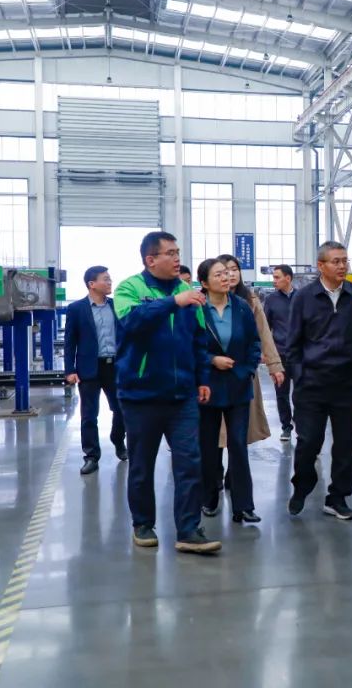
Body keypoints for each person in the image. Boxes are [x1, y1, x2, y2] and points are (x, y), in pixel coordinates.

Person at [113, 231, 221, 554]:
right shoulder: (129, 288)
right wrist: (173, 303)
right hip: (140, 395)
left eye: (178, 252)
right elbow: (132, 322)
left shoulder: (188, 291)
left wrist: (202, 378)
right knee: (142, 465)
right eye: (170, 253)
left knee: (189, 464)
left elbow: (199, 339)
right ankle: (143, 523)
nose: (177, 258)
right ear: (151, 259)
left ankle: (188, 530)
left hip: (182, 396)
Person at [283, 241, 352, 520]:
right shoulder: (304, 297)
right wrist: (300, 375)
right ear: (321, 266)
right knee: (309, 441)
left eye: (345, 260)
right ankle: (302, 485)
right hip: (312, 384)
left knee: (345, 444)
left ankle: (338, 497)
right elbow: (292, 342)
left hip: (347, 384)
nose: (342, 266)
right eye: (336, 261)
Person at [210, 254, 285, 492]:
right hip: (213, 376)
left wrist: (274, 365)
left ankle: (235, 476)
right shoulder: (203, 303)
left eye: (234, 269)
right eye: (224, 271)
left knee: (238, 433)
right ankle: (214, 475)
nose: (230, 274)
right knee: (214, 432)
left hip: (242, 375)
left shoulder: (249, 301)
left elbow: (263, 333)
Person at [196, 258, 262, 524]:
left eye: (227, 273)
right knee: (208, 447)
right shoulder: (197, 309)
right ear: (204, 283)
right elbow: (189, 346)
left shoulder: (242, 307)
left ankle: (243, 506)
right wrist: (212, 360)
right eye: (218, 275)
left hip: (238, 386)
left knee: (238, 446)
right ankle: (208, 499)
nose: (225, 278)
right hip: (207, 387)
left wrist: (246, 371)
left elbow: (254, 343)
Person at [64, 266, 127, 476]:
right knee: (89, 415)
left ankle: (118, 440)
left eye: (110, 279)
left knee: (121, 409)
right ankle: (91, 456)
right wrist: (69, 370)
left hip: (115, 367)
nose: (110, 282)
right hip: (89, 368)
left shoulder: (117, 306)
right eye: (105, 279)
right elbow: (70, 342)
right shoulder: (76, 309)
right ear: (92, 284)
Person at [261, 264, 296, 442]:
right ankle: (286, 427)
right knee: (281, 393)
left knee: (302, 393)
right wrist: (265, 352)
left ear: (288, 278)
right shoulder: (271, 300)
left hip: (300, 354)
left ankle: (302, 425)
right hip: (280, 354)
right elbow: (265, 327)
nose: (273, 281)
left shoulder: (302, 298)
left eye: (277, 277)